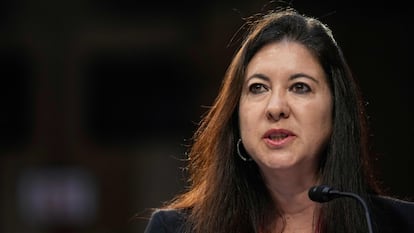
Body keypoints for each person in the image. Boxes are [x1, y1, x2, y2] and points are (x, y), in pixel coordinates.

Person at [143, 6, 414, 233]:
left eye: (300, 87)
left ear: (336, 110)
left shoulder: (397, 224)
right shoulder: (176, 229)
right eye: (258, 88)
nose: (275, 108)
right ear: (236, 115)